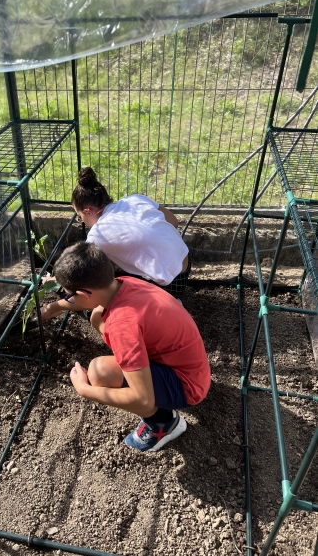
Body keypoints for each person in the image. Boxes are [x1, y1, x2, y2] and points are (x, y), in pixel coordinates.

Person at [53, 241, 210, 452]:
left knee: (100, 372)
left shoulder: (123, 326)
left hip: (188, 386)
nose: (69, 299)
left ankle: (164, 422)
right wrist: (51, 309)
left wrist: (85, 390)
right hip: (191, 365)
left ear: (84, 293)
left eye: (69, 295)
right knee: (97, 317)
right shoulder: (123, 283)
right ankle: (148, 384)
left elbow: (143, 400)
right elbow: (90, 303)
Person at [41, 166, 190, 321]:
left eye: (79, 216)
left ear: (88, 211)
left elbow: (85, 284)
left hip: (168, 284)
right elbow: (174, 222)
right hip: (185, 262)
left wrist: (56, 283)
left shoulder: (97, 235)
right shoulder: (135, 199)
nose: (81, 221)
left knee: (99, 310)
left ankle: (164, 308)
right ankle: (164, 301)